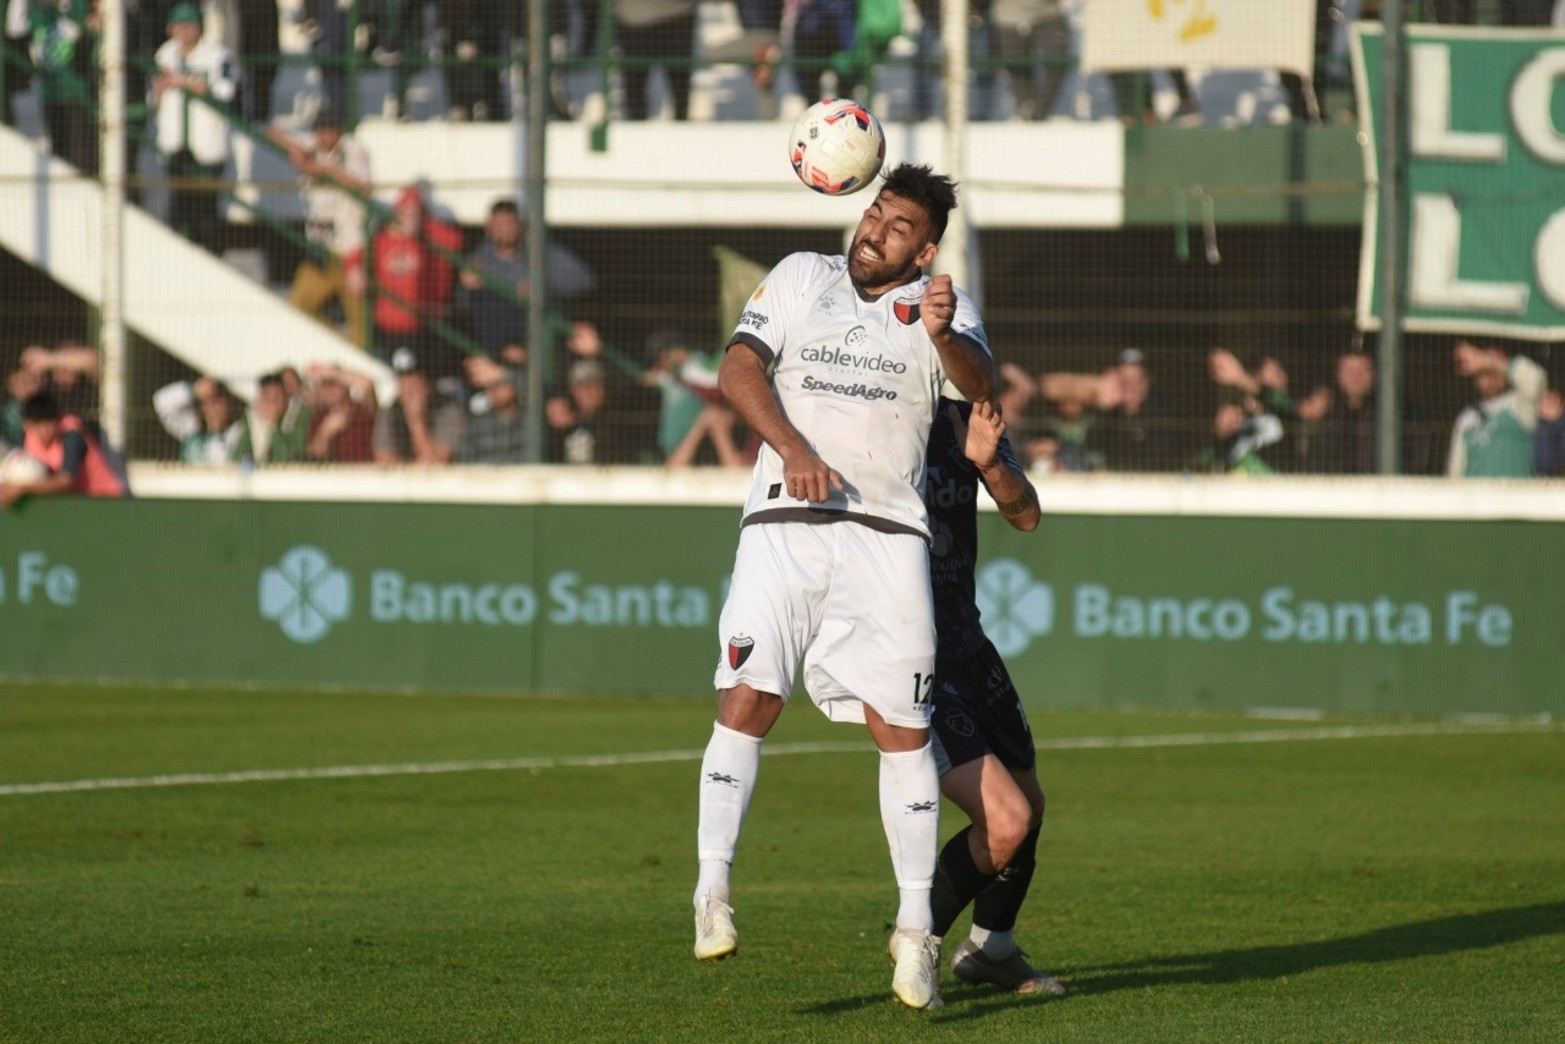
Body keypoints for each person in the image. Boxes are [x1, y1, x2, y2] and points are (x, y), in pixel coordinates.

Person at [692, 163, 996, 1012]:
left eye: (898, 226)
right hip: (784, 524)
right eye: (874, 214)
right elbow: (738, 370)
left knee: (901, 729)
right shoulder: (800, 276)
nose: (875, 232)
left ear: (924, 247)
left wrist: (942, 335)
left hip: (888, 537)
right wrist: (791, 448)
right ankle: (711, 891)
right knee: (748, 699)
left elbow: (979, 390)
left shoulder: (943, 304)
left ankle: (914, 935)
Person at [922, 396, 1065, 997]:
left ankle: (991, 949)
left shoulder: (964, 413)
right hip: (912, 656)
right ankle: (916, 942)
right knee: (1006, 822)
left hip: (971, 646)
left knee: (1028, 810)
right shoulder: (865, 417)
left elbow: (1026, 514)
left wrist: (988, 463)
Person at [272, 105, 372, 346]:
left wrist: (322, 170)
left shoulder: (353, 150)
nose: (325, 136)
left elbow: (363, 187)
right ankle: (339, 343)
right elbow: (271, 132)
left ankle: (358, 358)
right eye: (320, 130)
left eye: (330, 130)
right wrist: (295, 149)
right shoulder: (312, 144)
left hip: (349, 250)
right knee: (299, 306)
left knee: (361, 321)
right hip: (320, 248)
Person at [457, 198, 595, 365]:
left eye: (510, 223)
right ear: (489, 227)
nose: (505, 230)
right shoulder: (478, 258)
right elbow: (461, 305)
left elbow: (584, 281)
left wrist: (543, 288)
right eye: (499, 224)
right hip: (496, 349)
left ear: (521, 225)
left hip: (538, 343)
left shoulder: (542, 253)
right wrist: (467, 287)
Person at [152, 2, 240, 254]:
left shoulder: (217, 55)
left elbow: (226, 92)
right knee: (179, 213)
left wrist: (182, 81)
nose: (185, 32)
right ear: (171, 29)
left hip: (207, 148)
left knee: (207, 215)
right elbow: (155, 97)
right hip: (174, 145)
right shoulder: (164, 54)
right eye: (180, 26)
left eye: (190, 25)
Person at [352, 183, 463, 370]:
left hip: (426, 324)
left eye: (416, 212)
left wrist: (424, 227)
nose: (410, 217)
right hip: (391, 325)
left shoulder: (431, 236)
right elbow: (355, 257)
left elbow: (456, 241)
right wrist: (354, 271)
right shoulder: (384, 240)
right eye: (405, 212)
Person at [0, 391, 126, 507]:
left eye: (49, 423)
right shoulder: (29, 440)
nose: (45, 431)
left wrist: (20, 488)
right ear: (27, 425)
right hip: (77, 502)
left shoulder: (72, 437)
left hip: (106, 500)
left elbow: (66, 481)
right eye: (38, 424)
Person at [1446, 340, 1546, 478]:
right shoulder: (1466, 417)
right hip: (1476, 498)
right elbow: (1455, 471)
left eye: (1495, 371)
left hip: (1518, 497)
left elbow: (1537, 379)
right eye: (1484, 372)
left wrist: (1487, 361)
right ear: (1475, 378)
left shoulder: (1521, 405)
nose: (1490, 378)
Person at [373, 346, 464, 465]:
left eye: (413, 380)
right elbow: (384, 461)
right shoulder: (390, 411)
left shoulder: (448, 410)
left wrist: (415, 420)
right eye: (402, 380)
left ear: (428, 383)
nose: (407, 387)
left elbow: (436, 463)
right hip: (403, 479)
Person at [613, 0, 697, 120]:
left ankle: (681, 128)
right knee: (635, 88)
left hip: (675, 17)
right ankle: (638, 133)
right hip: (634, 20)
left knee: (680, 87)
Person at [458, 355, 529, 463]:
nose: (494, 389)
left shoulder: (531, 420)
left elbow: (536, 388)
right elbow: (465, 461)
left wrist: (501, 374)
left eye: (500, 383)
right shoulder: (478, 423)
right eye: (490, 385)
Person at [302, 362, 378, 462]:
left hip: (365, 472)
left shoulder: (360, 408)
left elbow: (368, 384)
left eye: (334, 384)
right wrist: (325, 433)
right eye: (324, 385)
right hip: (336, 474)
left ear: (346, 386)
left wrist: (331, 373)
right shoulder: (318, 416)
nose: (329, 389)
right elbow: (313, 457)